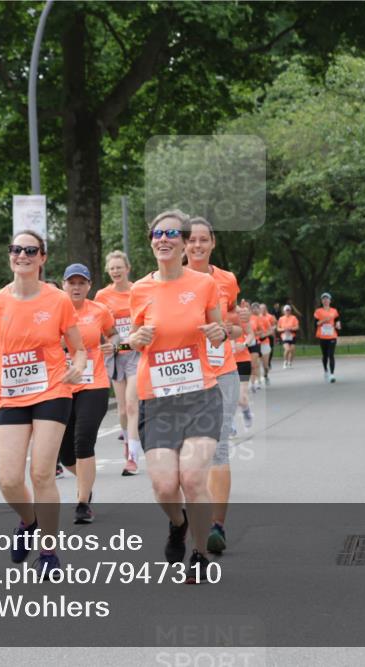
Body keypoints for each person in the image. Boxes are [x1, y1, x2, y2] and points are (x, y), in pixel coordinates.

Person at [0, 230, 86, 575]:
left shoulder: (58, 299)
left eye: (30, 250)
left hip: (52, 390)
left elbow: (78, 349)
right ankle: (29, 522)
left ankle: (49, 553)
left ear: (42, 258)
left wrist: (77, 369)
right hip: (11, 394)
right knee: (8, 480)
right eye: (16, 249)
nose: (22, 255)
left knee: (42, 473)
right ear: (10, 255)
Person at [129, 210, 225, 584]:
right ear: (151, 240)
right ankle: (177, 523)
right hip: (157, 399)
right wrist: (131, 340)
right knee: (165, 485)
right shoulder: (139, 290)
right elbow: (126, 342)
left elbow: (218, 333)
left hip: (200, 394)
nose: (164, 239)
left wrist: (218, 333)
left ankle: (200, 553)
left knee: (194, 478)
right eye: (157, 233)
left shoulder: (203, 284)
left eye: (172, 233)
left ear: (185, 243)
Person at [184, 216, 245, 556]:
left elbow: (234, 323)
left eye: (203, 239)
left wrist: (229, 331)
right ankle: (189, 518)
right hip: (181, 377)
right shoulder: (167, 280)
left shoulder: (227, 280)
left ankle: (216, 527)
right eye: (191, 240)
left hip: (221, 371)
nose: (196, 245)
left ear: (213, 243)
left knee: (218, 446)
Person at [59, 263, 119, 524]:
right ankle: (86, 483)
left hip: (94, 384)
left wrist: (113, 346)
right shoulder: (51, 311)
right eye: (71, 282)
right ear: (63, 285)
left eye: (81, 282)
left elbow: (115, 336)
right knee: (66, 455)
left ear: (89, 286)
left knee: (84, 440)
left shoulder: (99, 310)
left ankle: (83, 502)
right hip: (60, 386)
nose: (76, 287)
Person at [94, 250, 143, 476]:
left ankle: (132, 458)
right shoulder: (102, 296)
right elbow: (98, 326)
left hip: (135, 354)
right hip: (115, 357)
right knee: (123, 408)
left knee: (132, 405)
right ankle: (127, 442)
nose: (115, 271)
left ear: (127, 268)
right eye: (112, 268)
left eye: (119, 267)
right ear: (108, 271)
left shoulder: (139, 291)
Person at [234, 299, 256, 431]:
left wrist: (244, 344)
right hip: (223, 362)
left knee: (241, 397)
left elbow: (250, 334)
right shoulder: (213, 313)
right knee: (225, 396)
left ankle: (246, 411)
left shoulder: (240, 314)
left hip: (242, 360)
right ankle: (229, 423)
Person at [314, 292, 340, 383]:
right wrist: (324, 320)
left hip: (332, 335)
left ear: (330, 300)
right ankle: (325, 370)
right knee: (325, 356)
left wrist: (338, 325)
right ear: (321, 301)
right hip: (322, 336)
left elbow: (337, 321)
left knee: (331, 355)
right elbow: (316, 323)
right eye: (324, 299)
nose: (325, 300)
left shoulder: (334, 311)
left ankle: (332, 374)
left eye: (327, 299)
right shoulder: (318, 311)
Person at [246, 302, 263, 393]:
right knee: (247, 365)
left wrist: (254, 333)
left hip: (255, 343)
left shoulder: (256, 319)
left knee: (253, 364)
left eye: (249, 309)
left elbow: (261, 331)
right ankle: (249, 382)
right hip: (245, 344)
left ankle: (254, 383)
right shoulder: (239, 319)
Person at [277, 304, 299, 369]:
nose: (287, 311)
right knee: (287, 349)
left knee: (292, 350)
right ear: (284, 311)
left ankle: (290, 362)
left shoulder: (294, 318)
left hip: (292, 335)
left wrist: (291, 328)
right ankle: (285, 362)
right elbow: (278, 328)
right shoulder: (281, 318)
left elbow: (297, 327)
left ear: (290, 311)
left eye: (288, 310)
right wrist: (284, 329)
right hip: (284, 336)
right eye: (286, 310)